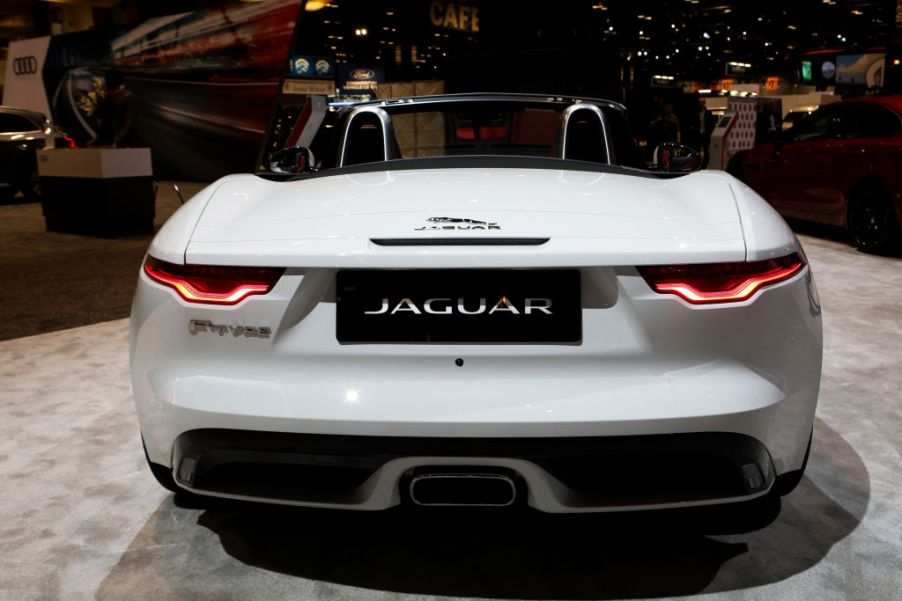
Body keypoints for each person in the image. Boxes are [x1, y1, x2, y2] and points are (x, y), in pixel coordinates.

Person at [686, 96, 717, 167]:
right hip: (697, 135)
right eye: (699, 102)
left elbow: (712, 125)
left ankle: (704, 165)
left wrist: (709, 133)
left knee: (706, 152)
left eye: (702, 102)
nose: (701, 104)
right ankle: (697, 165)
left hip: (705, 135)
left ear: (704, 103)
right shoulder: (694, 113)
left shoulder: (708, 113)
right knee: (697, 151)